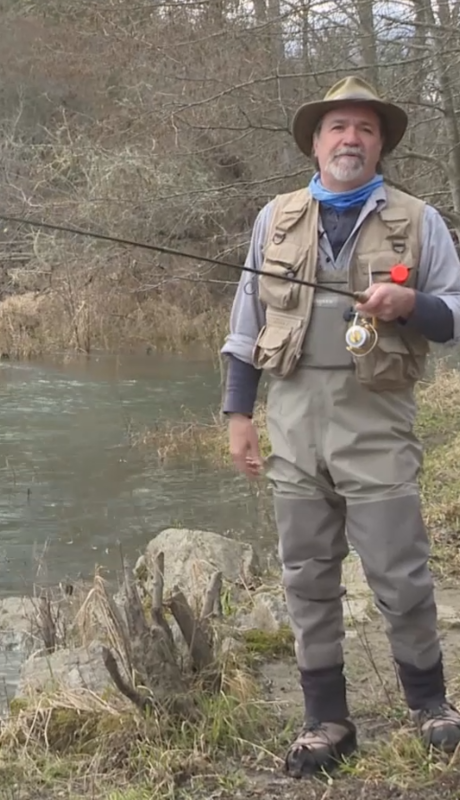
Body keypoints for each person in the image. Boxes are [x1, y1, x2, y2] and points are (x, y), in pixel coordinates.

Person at [220, 75, 460, 778]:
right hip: (292, 427)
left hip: (377, 425)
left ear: (380, 144)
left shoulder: (420, 220)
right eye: (337, 128)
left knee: (401, 574)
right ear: (316, 143)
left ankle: (431, 705)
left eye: (364, 129)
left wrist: (410, 302)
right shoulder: (276, 218)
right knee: (305, 577)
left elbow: (455, 314)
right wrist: (240, 415)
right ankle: (326, 720)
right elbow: (245, 326)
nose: (349, 139)